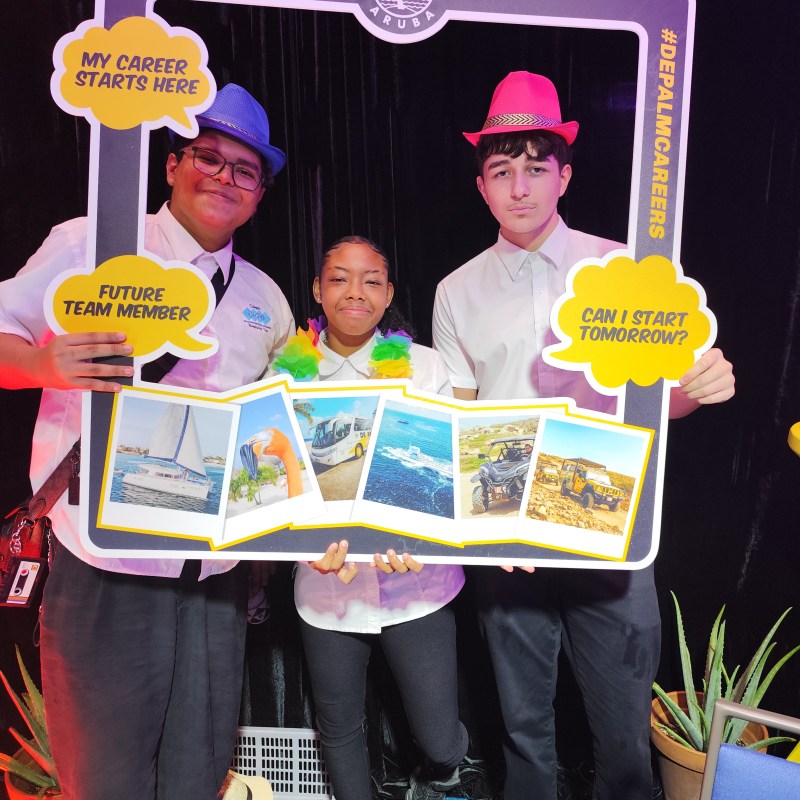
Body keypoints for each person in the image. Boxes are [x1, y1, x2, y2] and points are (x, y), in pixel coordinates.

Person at [431, 71, 735, 800]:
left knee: (624, 731)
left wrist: (699, 385)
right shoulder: (456, 290)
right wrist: (480, 527)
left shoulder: (627, 268)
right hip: (507, 531)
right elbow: (460, 420)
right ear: (481, 185)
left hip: (607, 520)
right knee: (522, 728)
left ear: (564, 175)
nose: (520, 188)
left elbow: (661, 400)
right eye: (501, 171)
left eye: (537, 168)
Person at [0, 83, 294, 800]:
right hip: (107, 566)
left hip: (213, 579)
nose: (223, 177)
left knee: (196, 778)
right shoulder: (92, 245)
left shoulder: (264, 298)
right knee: (105, 783)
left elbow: (284, 432)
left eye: (244, 169)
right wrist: (43, 364)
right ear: (172, 165)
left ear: (259, 195)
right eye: (208, 157)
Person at [272, 236, 468, 800]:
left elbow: (448, 469)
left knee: (438, 737)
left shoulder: (425, 366)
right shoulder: (285, 373)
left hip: (416, 582)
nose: (355, 291)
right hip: (324, 583)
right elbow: (273, 483)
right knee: (339, 726)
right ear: (317, 289)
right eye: (339, 278)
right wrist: (297, 544)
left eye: (371, 280)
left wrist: (419, 538)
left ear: (388, 294)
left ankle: (443, 774)